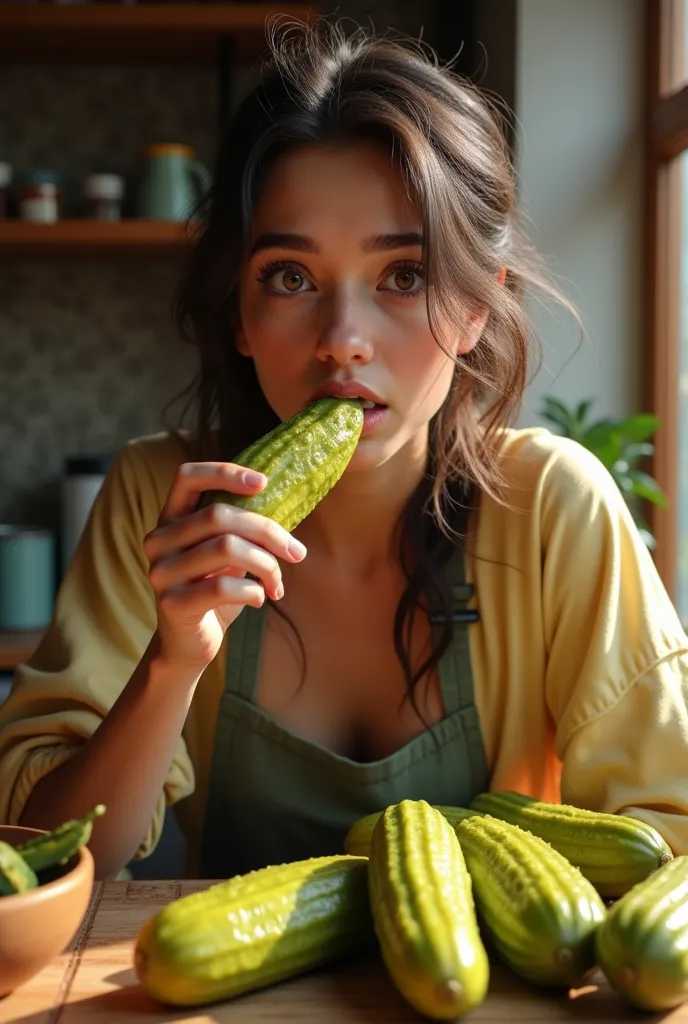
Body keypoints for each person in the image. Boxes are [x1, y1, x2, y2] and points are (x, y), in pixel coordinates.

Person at [0, 21, 686, 883]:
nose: (343, 340)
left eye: (404, 275)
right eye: (291, 277)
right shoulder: (159, 500)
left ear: (478, 307)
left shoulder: (554, 507)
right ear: (239, 317)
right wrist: (171, 661)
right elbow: (39, 859)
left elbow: (672, 848)